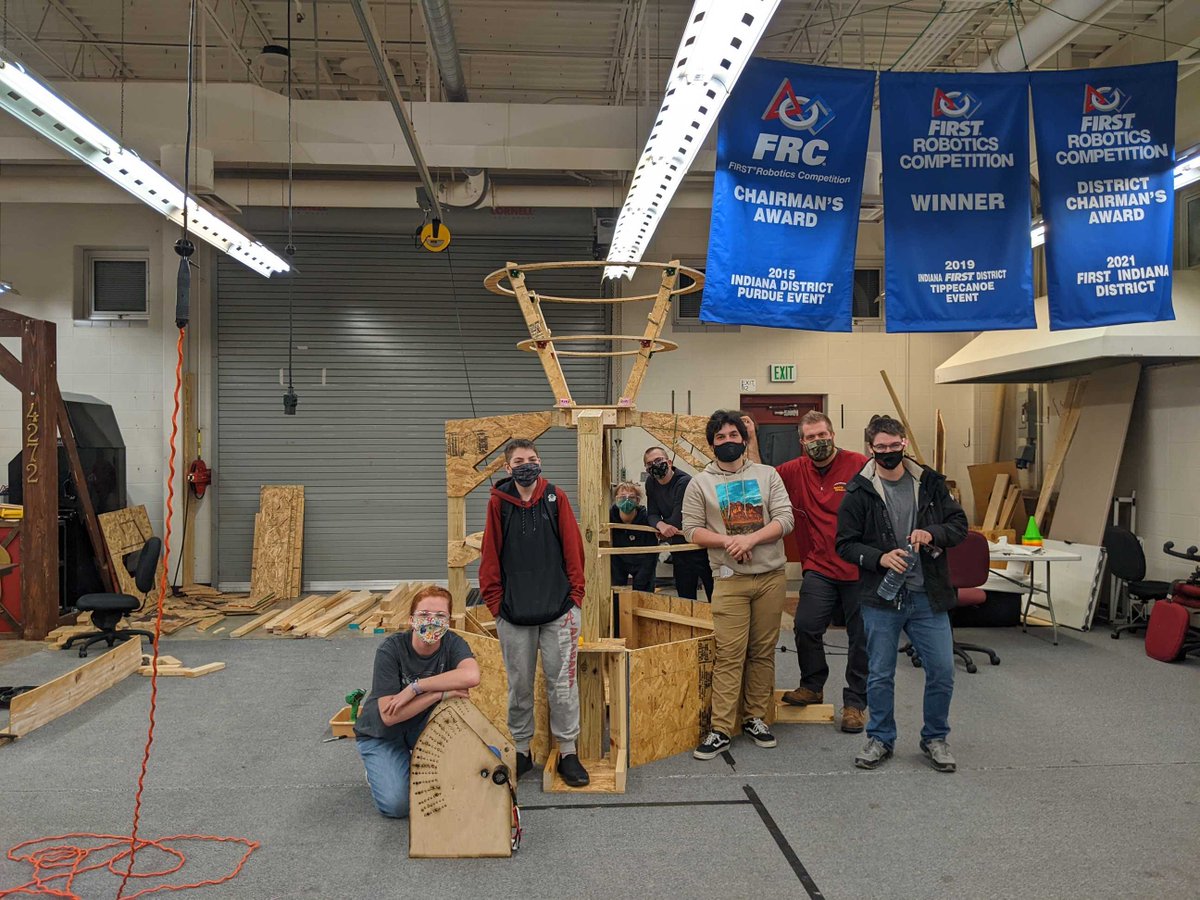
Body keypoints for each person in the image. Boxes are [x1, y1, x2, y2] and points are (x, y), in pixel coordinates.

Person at [835, 415, 967, 773]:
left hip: (928, 596)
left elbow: (959, 526)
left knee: (942, 670)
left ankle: (935, 738)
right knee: (879, 673)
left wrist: (933, 533)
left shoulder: (931, 483)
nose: (889, 453)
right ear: (870, 449)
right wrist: (879, 558)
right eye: (882, 448)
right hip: (881, 599)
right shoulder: (858, 491)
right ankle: (880, 738)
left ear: (904, 443)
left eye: (896, 446)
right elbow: (845, 545)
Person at [746, 411, 871, 734]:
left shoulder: (858, 464)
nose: (819, 442)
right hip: (819, 566)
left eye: (823, 435)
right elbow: (762, 477)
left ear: (833, 434)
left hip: (859, 567)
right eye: (812, 437)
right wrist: (751, 438)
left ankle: (855, 703)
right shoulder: (793, 471)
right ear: (802, 442)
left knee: (861, 638)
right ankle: (812, 684)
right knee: (805, 626)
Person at [682, 410, 794, 759]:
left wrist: (751, 540)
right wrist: (728, 542)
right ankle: (720, 729)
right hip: (729, 581)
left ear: (744, 440)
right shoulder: (699, 483)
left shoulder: (767, 475)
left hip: (770, 578)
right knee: (729, 654)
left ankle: (755, 718)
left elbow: (785, 518)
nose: (728, 442)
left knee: (762, 651)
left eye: (734, 436)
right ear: (711, 443)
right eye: (721, 437)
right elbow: (691, 529)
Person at [479, 438, 590, 788]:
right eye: (519, 460)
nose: (526, 465)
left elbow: (574, 549)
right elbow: (490, 557)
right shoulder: (499, 503)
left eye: (532, 459)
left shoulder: (556, 499)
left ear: (540, 462)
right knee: (519, 687)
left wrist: (575, 598)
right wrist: (496, 604)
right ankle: (522, 750)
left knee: (562, 686)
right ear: (506, 467)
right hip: (513, 613)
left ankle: (568, 751)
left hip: (559, 610)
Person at [353, 586, 481, 818]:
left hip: (423, 727)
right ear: (412, 620)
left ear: (449, 621)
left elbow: (471, 677)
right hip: (383, 734)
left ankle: (410, 762)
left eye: (440, 616)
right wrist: (438, 693)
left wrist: (417, 687)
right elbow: (389, 715)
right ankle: (380, 767)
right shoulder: (391, 650)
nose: (432, 621)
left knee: (467, 778)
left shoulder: (452, 644)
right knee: (397, 806)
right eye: (424, 615)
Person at [643, 446, 713, 601]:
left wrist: (662, 526)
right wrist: (661, 526)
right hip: (679, 548)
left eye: (658, 460)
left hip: (700, 546)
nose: (654, 465)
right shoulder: (651, 483)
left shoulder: (684, 481)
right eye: (649, 464)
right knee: (685, 596)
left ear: (669, 461)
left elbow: (678, 520)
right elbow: (652, 514)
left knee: (713, 593)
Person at [609, 481, 658, 592]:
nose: (626, 500)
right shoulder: (609, 518)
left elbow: (652, 552)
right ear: (616, 499)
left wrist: (643, 577)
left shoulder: (647, 519)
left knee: (644, 594)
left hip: (642, 561)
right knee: (616, 594)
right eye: (622, 497)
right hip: (618, 560)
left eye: (631, 497)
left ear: (638, 501)